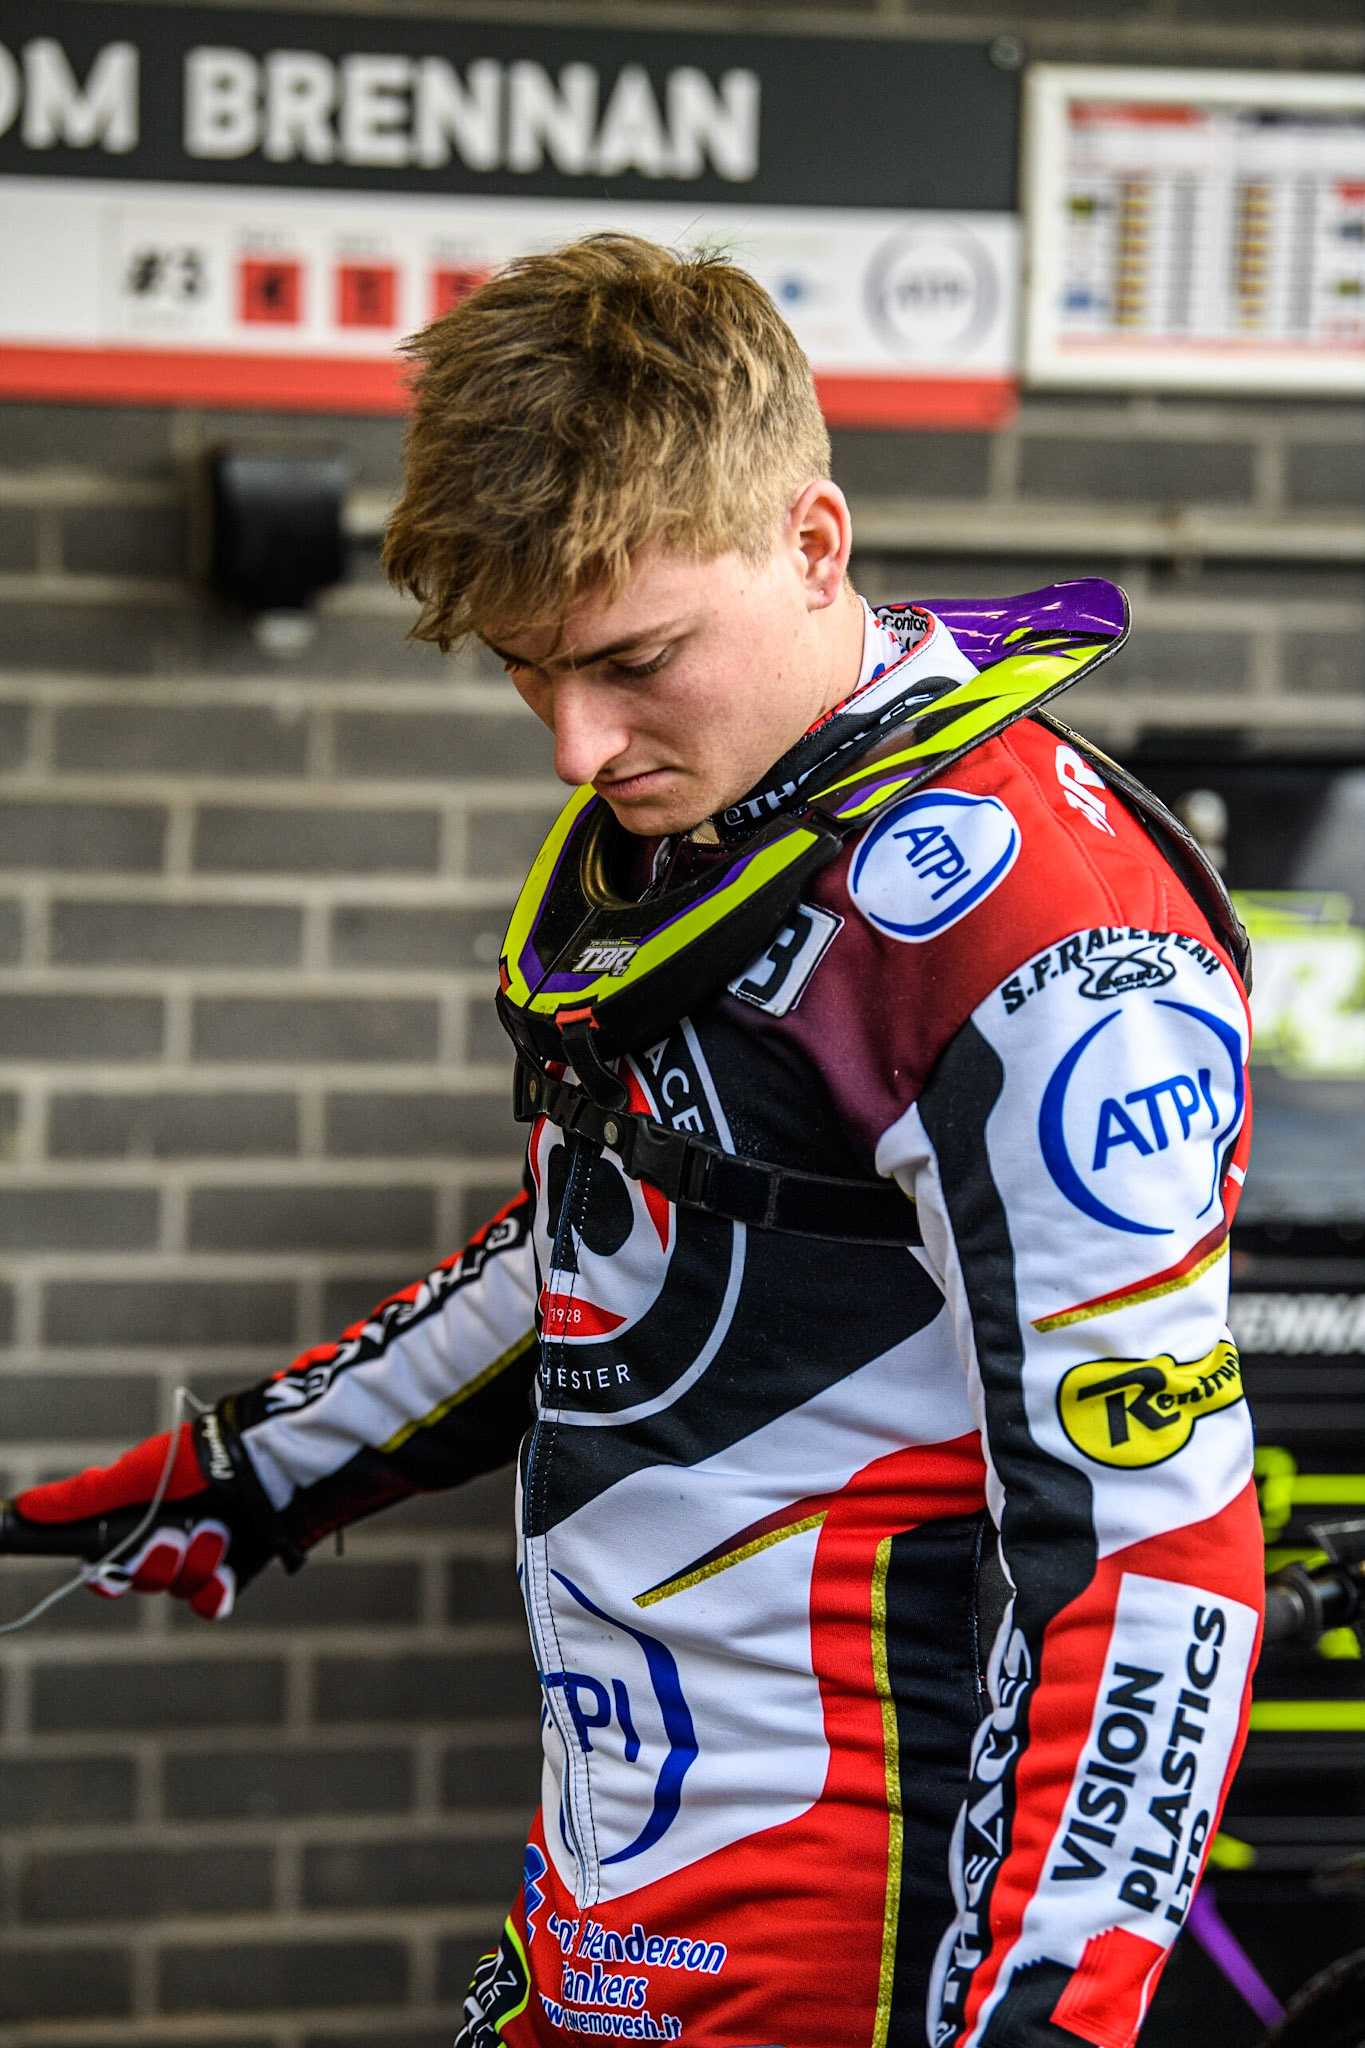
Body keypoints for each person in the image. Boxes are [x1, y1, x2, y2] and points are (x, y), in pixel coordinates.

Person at [9, 236, 1263, 2048]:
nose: (576, 745)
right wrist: (258, 1467)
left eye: (630, 660)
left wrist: (1042, 2015)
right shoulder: (741, 819)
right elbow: (614, 1258)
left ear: (810, 542)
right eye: (530, 675)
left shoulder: (1037, 934)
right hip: (609, 1889)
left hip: (864, 1924)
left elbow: (1154, 1544)